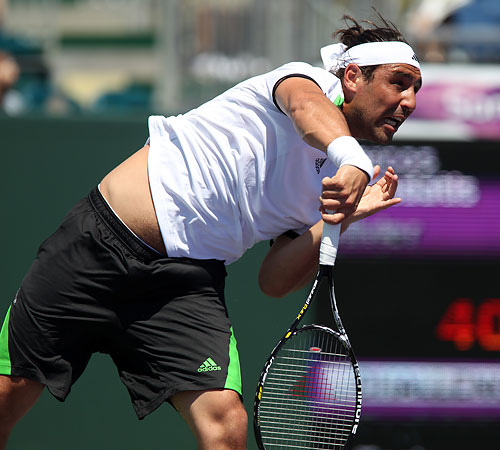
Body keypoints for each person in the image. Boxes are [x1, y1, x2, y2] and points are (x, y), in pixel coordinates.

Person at [0, 14, 421, 450]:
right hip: (96, 246)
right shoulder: (304, 81)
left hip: (184, 286)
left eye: (416, 90)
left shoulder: (333, 176)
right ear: (352, 77)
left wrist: (340, 219)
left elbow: (274, 280)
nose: (409, 101)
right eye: (399, 82)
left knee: (225, 426)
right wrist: (352, 159)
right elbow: (305, 110)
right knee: (5, 401)